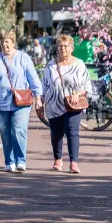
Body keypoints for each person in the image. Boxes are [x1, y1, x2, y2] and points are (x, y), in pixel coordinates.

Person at [0, 31, 43, 173]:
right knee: (5, 132)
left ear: (13, 43)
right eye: (2, 42)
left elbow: (33, 78)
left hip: (21, 102)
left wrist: (38, 96)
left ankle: (21, 160)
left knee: (18, 130)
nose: (4, 44)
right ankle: (9, 161)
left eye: (7, 41)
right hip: (0, 102)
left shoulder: (23, 58)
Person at [39, 34, 90, 173]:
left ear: (71, 48)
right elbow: (45, 85)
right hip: (53, 104)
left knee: (72, 131)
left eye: (65, 46)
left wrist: (77, 93)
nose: (62, 49)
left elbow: (87, 86)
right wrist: (40, 101)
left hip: (73, 105)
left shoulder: (79, 64)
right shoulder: (51, 65)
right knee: (56, 133)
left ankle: (74, 162)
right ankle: (58, 159)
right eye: (60, 46)